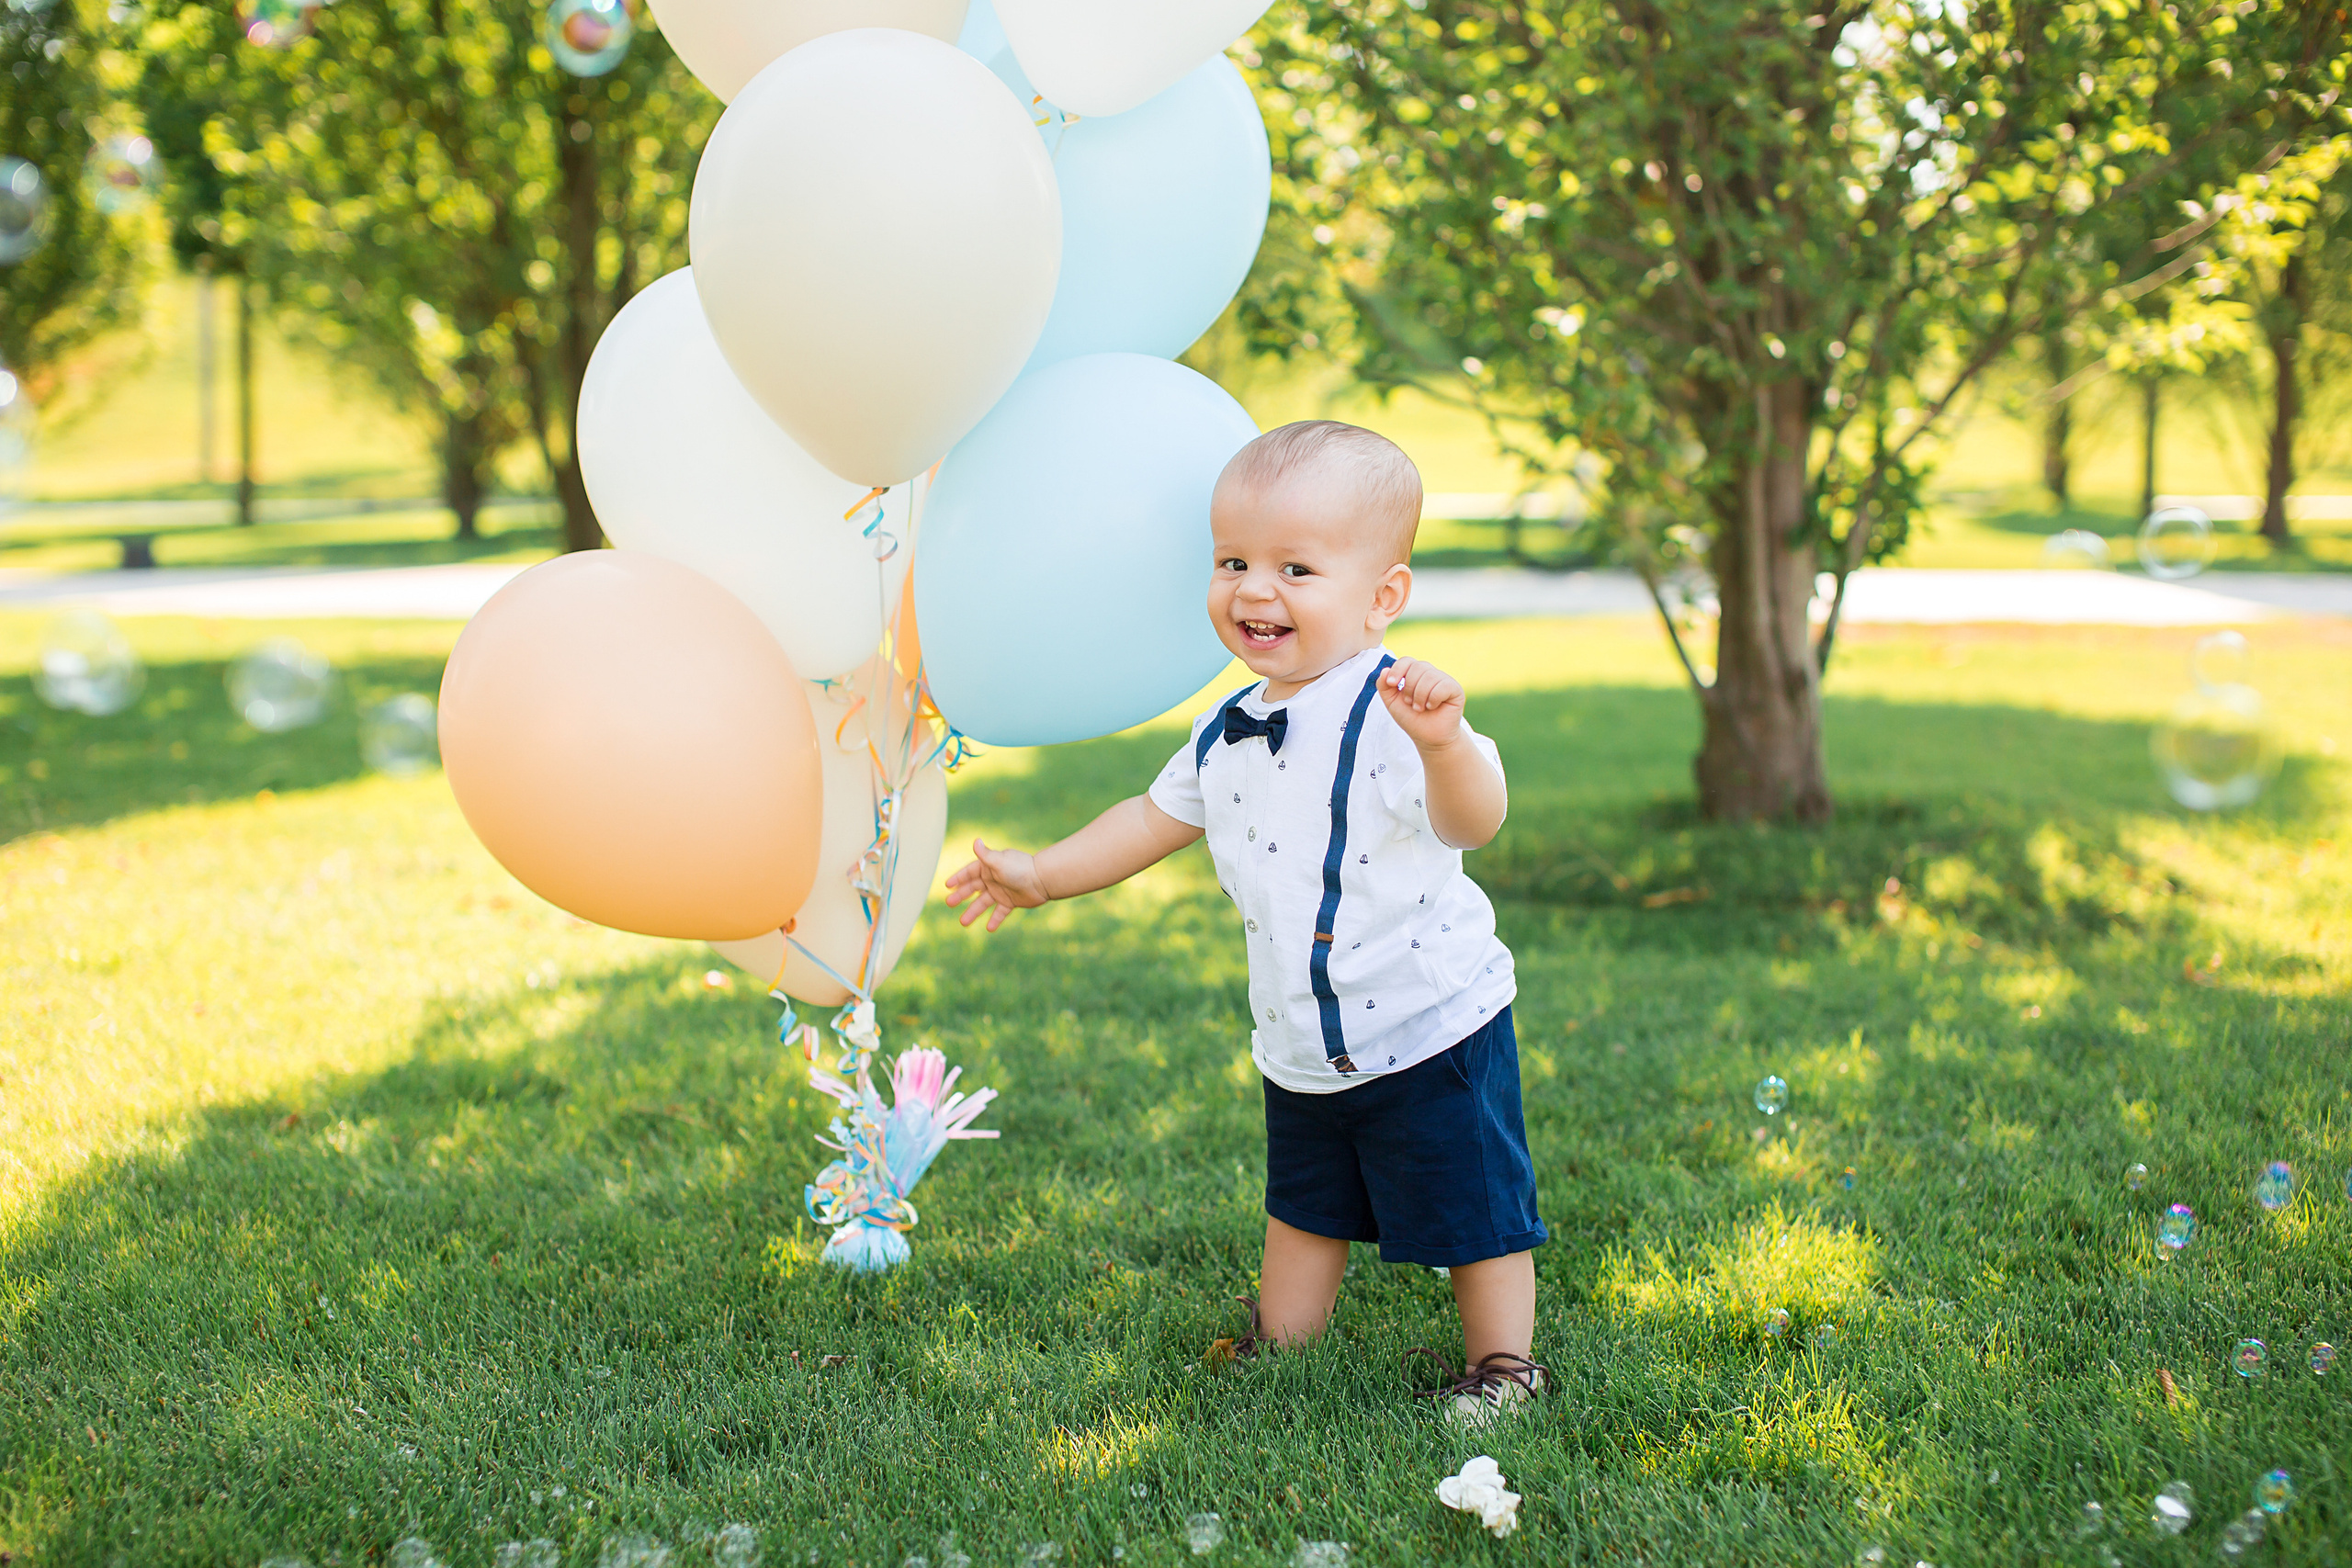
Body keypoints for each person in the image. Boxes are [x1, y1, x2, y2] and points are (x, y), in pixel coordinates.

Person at [944, 419, 1545, 1426]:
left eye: (1296, 568)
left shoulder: (1397, 711)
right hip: (1301, 1036)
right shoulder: (1226, 727)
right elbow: (1150, 818)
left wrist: (1444, 747)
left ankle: (1502, 1365)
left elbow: (1471, 822)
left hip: (1427, 1020)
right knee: (1305, 1196)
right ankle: (1284, 1337)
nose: (1254, 590)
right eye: (1234, 562)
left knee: (1470, 1204)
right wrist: (1044, 874)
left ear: (1381, 598)